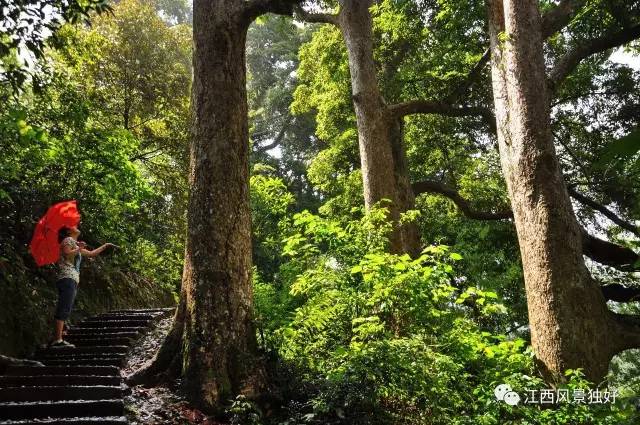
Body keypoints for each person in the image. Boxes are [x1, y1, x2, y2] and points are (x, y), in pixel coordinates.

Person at [51, 225, 115, 348]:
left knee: (67, 306)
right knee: (64, 306)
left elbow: (92, 253)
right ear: (69, 231)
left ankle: (61, 335)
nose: (77, 226)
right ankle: (57, 340)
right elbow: (67, 253)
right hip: (67, 277)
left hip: (72, 279)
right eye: (73, 226)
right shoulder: (68, 240)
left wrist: (105, 245)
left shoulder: (74, 244)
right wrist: (78, 248)